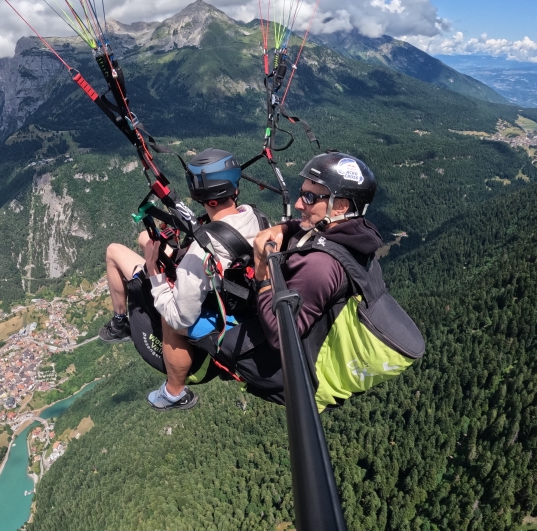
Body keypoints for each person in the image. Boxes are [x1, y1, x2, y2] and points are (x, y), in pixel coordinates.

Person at [99, 149, 264, 410]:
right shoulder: (254, 217)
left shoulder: (200, 252)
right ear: (235, 187)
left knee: (113, 252)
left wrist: (154, 271)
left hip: (212, 322)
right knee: (145, 240)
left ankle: (173, 390)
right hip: (234, 296)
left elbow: (179, 317)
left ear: (201, 196)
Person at [251, 151, 382, 352]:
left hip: (295, 368)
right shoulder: (354, 232)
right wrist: (282, 229)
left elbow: (280, 336)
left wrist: (263, 275)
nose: (298, 204)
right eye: (301, 193)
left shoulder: (319, 266)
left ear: (340, 206)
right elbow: (306, 225)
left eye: (310, 197)